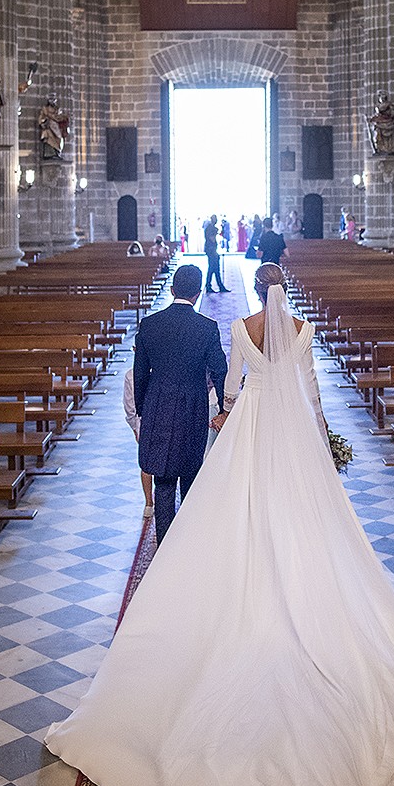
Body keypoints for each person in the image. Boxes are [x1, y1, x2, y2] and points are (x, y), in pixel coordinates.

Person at [44, 265, 394, 786]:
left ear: (256, 292)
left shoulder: (242, 329)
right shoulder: (302, 331)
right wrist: (323, 445)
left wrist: (226, 414)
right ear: (284, 290)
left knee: (236, 514)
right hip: (292, 438)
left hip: (251, 433)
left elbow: (236, 388)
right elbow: (314, 396)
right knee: (305, 520)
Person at [131, 263, 228, 545]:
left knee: (162, 478)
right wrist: (223, 407)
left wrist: (142, 407)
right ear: (198, 294)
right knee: (189, 475)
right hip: (192, 408)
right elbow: (219, 370)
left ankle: (164, 546)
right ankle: (187, 544)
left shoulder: (149, 325)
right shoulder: (207, 328)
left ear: (172, 289)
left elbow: (140, 373)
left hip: (157, 407)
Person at [122, 364, 153, 519]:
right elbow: (129, 407)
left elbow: (129, 408)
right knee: (148, 464)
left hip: (143, 423)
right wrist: (135, 427)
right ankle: (149, 502)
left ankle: (149, 503)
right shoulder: (131, 376)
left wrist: (135, 427)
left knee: (147, 463)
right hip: (149, 422)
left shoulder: (132, 374)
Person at [203, 214, 229, 293]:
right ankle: (210, 285)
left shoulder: (211, 228)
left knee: (214, 268)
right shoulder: (211, 228)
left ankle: (217, 285)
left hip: (211, 249)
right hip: (211, 250)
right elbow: (212, 238)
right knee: (212, 268)